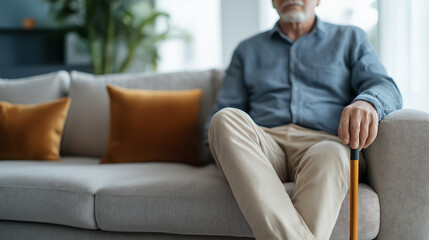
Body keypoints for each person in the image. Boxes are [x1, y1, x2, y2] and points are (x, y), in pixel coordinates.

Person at [203, 0, 402, 239]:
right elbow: (223, 113)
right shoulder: (246, 50)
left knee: (331, 154)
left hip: (324, 142)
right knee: (223, 119)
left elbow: (385, 86)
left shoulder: (350, 38)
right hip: (265, 145)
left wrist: (367, 102)